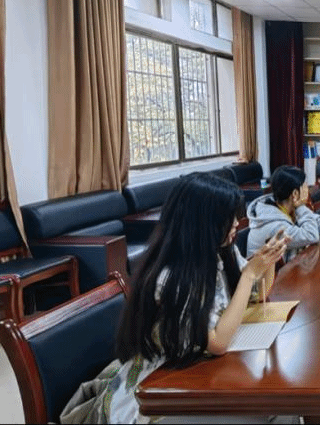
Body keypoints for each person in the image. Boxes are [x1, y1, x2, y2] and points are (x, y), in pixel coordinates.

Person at [62, 173, 289, 423]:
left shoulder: (221, 252)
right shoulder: (172, 278)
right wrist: (248, 276)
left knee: (274, 407)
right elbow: (217, 343)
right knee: (268, 412)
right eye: (229, 217)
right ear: (204, 222)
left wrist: (269, 259)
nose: (237, 222)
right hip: (158, 389)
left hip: (198, 369)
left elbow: (257, 295)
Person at [247, 165, 320, 262]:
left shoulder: (282, 206)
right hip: (269, 272)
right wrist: (301, 206)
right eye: (304, 187)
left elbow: (313, 220)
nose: (307, 191)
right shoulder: (275, 225)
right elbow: (311, 235)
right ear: (295, 194)